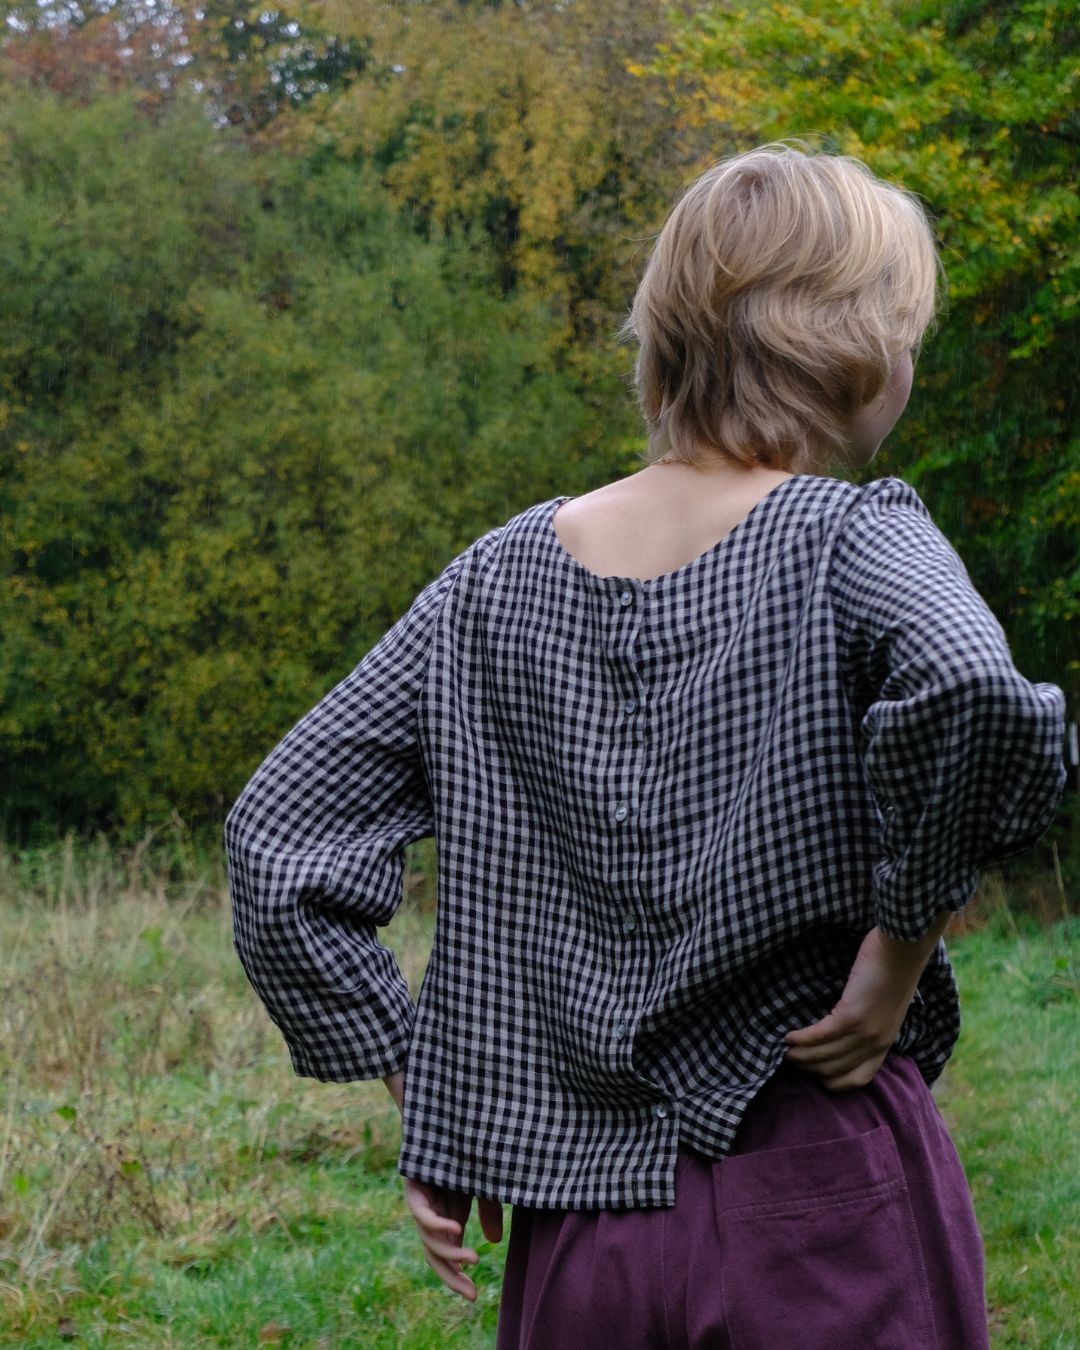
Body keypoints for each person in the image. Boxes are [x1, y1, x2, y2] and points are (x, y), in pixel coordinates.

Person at [224, 142, 1067, 1348]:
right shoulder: (853, 541)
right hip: (820, 1175)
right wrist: (896, 951)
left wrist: (434, 1091)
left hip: (579, 1225)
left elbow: (279, 832)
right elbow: (972, 689)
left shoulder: (492, 582)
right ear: (863, 348)